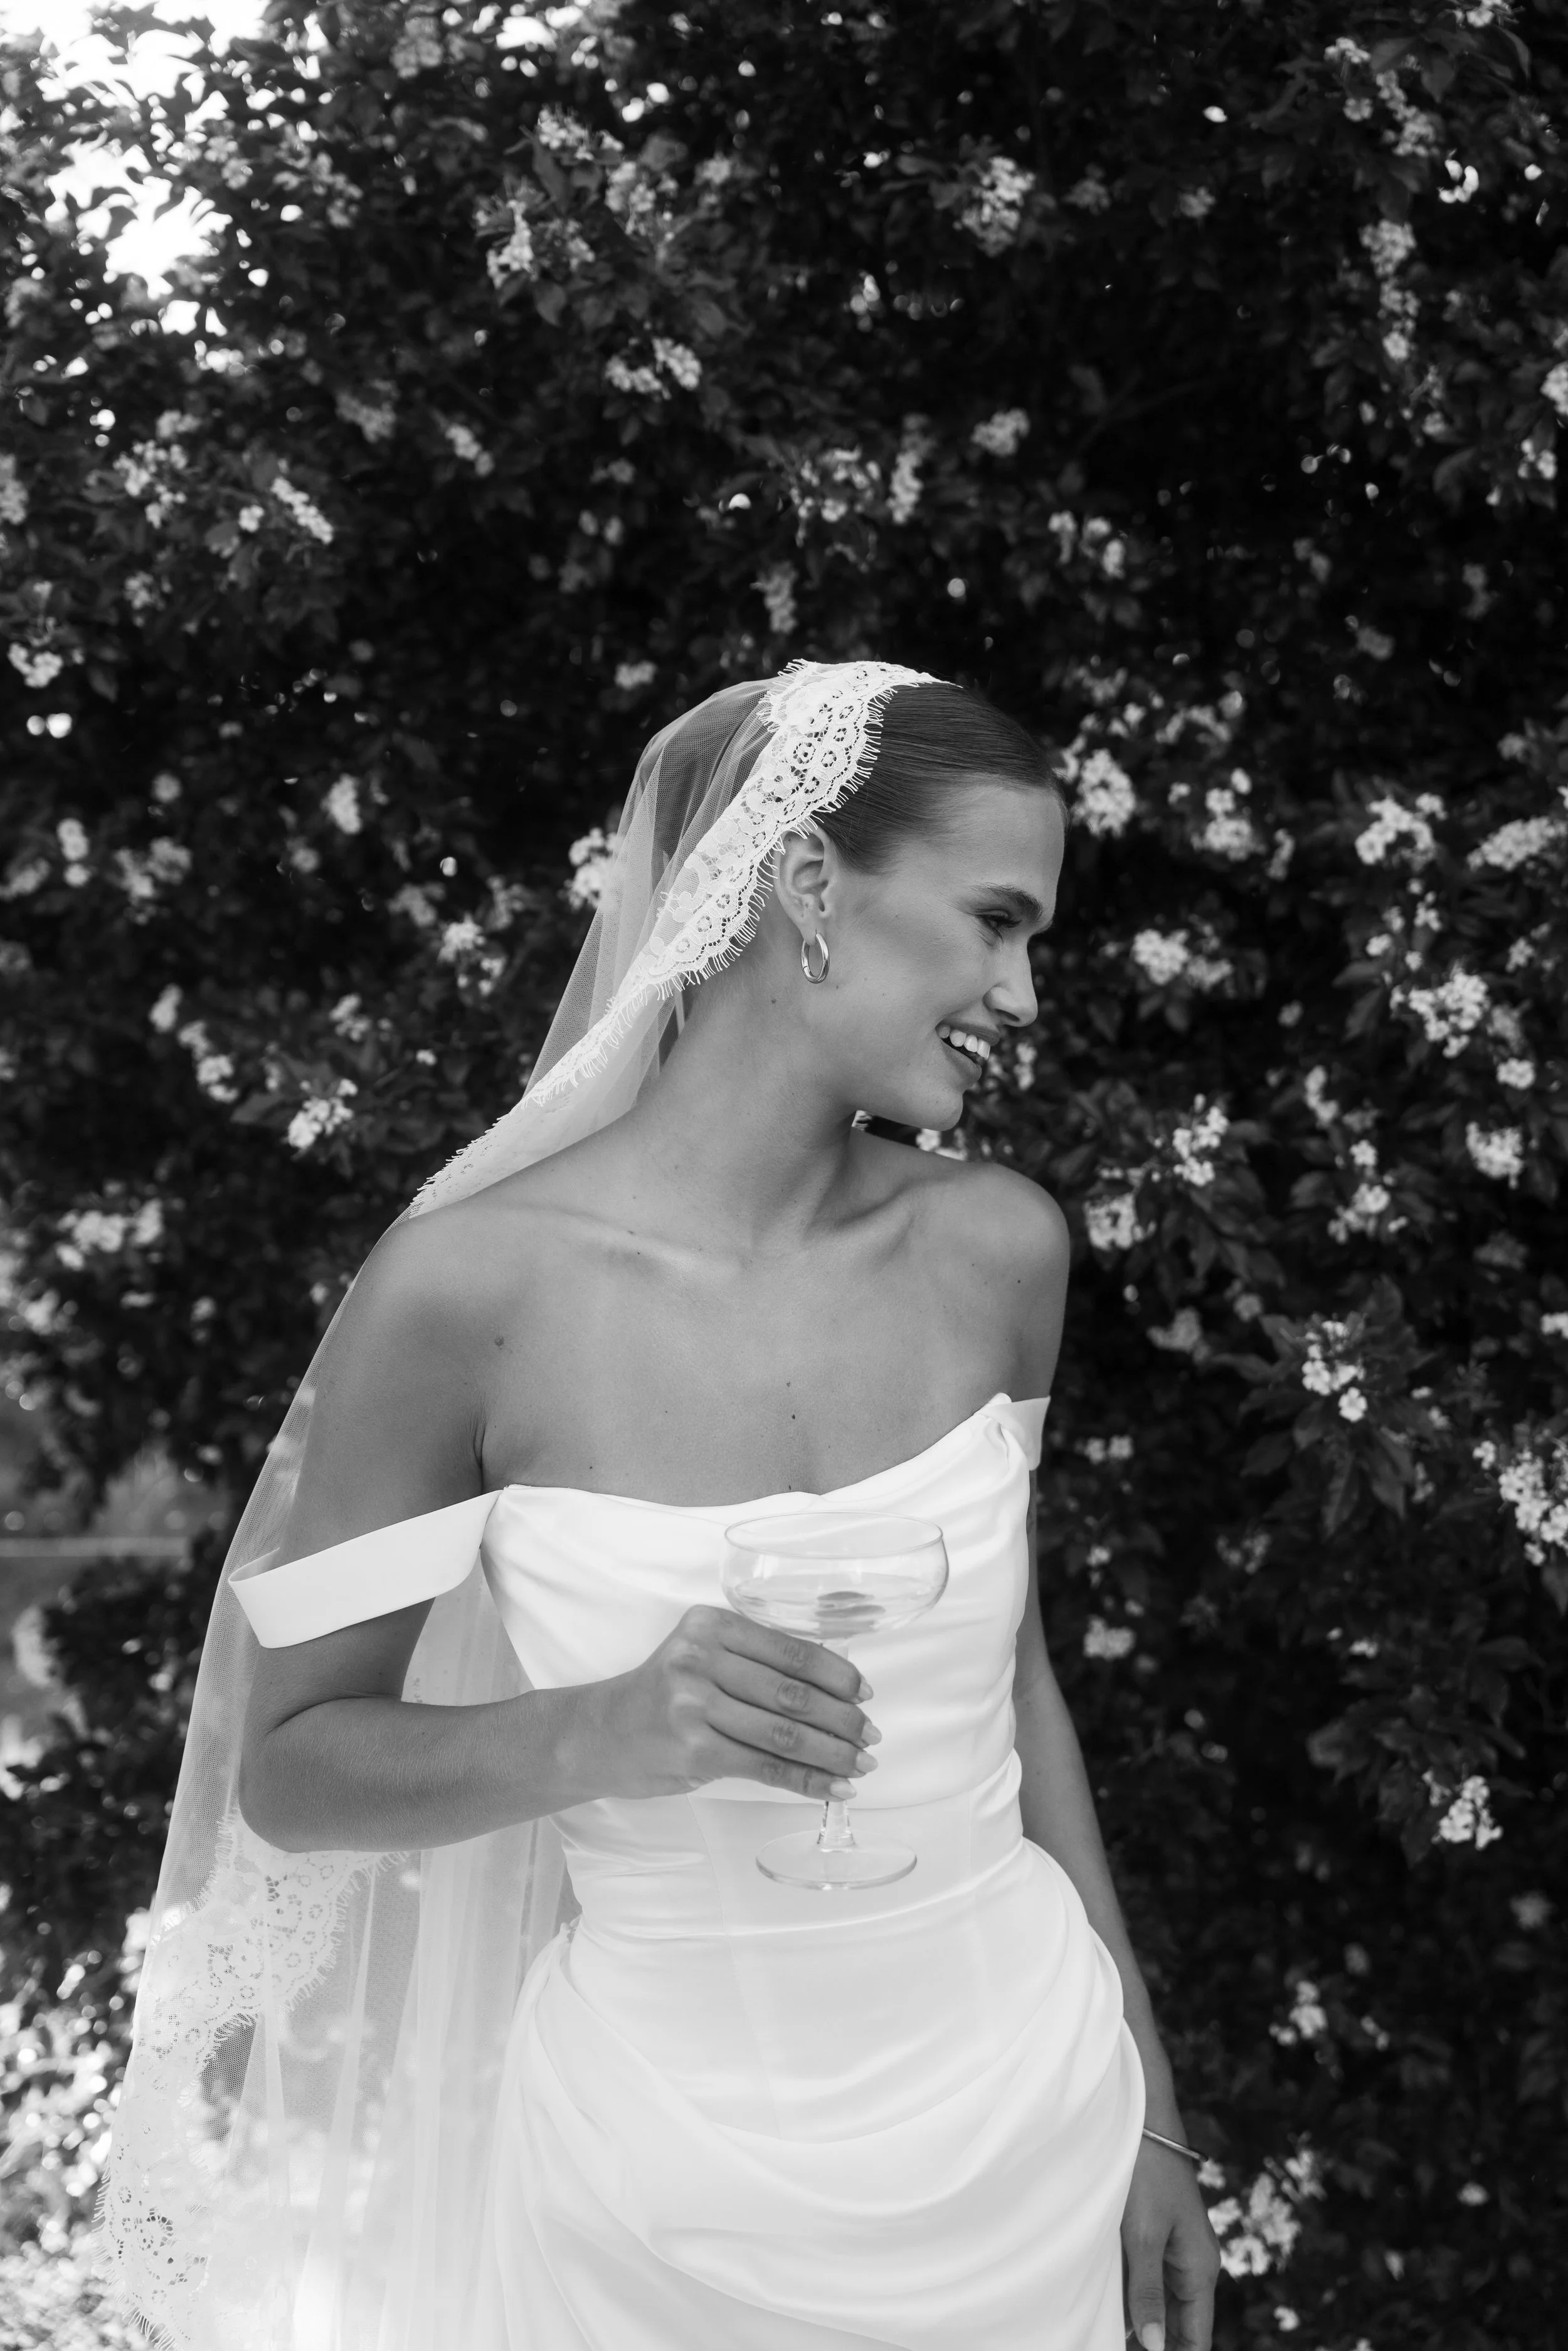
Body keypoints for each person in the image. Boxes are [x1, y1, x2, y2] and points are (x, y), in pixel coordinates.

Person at [102, 659, 1220, 2350]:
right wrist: (604, 1730)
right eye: (996, 922)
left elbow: (1013, 1676)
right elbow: (293, 1768)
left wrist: (1144, 2101)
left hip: (1030, 2133)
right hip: (652, 2209)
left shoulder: (1002, 1250)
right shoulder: (466, 1294)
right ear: (808, 882)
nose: (1021, 993)